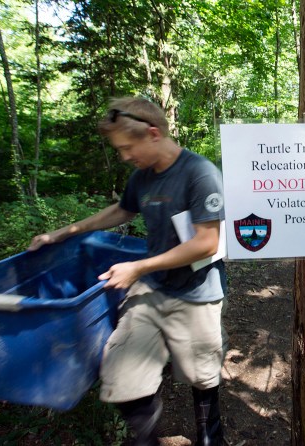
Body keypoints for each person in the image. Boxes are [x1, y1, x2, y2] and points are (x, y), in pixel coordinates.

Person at [29, 97, 227, 446]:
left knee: (202, 376)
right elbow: (121, 211)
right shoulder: (142, 177)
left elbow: (206, 243)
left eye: (127, 147)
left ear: (153, 133)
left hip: (196, 292)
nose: (124, 156)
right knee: (121, 375)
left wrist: (137, 267)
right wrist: (65, 232)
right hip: (152, 288)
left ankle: (211, 438)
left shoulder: (200, 172)